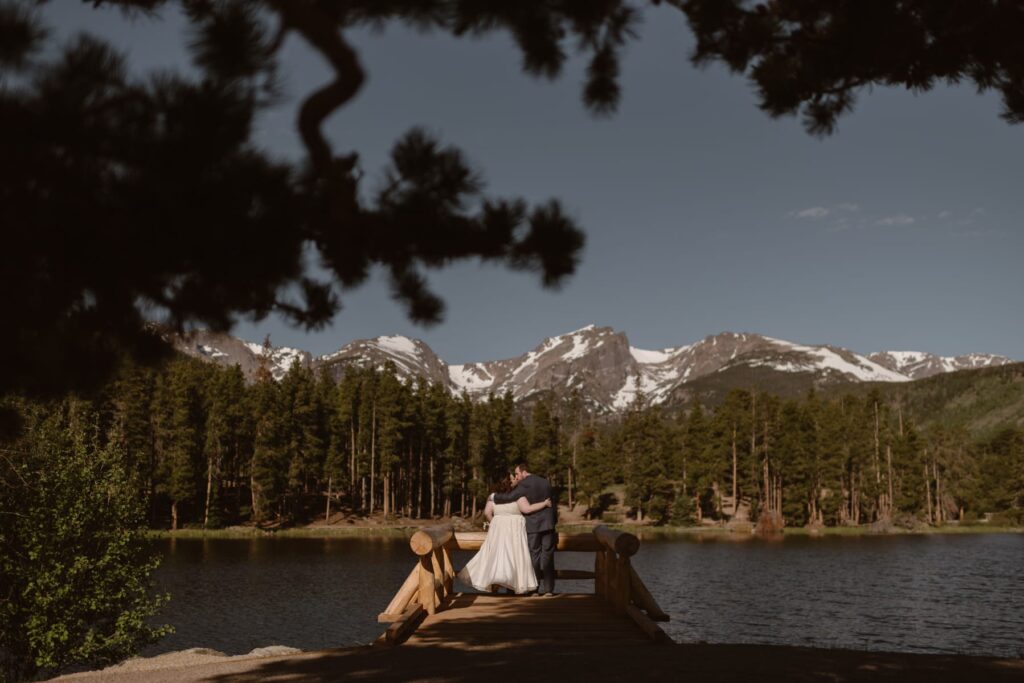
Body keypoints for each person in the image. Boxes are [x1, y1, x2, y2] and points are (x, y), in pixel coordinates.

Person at [457, 475, 552, 595]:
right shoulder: (518, 496)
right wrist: (544, 504)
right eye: (513, 479)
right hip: (514, 530)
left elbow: (487, 512)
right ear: (508, 483)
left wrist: (494, 522)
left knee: (496, 555)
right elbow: (527, 509)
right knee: (515, 555)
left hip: (498, 529)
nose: (516, 480)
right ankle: (513, 585)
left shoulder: (493, 497)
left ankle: (495, 582)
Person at [492, 462, 556, 596]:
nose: (516, 477)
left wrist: (494, 497)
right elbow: (553, 503)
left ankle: (535, 589)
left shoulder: (523, 484)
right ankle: (549, 590)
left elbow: (510, 497)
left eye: (517, 474)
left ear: (523, 472)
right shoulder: (545, 482)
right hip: (548, 524)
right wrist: (553, 521)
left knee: (535, 556)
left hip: (533, 525)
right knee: (548, 556)